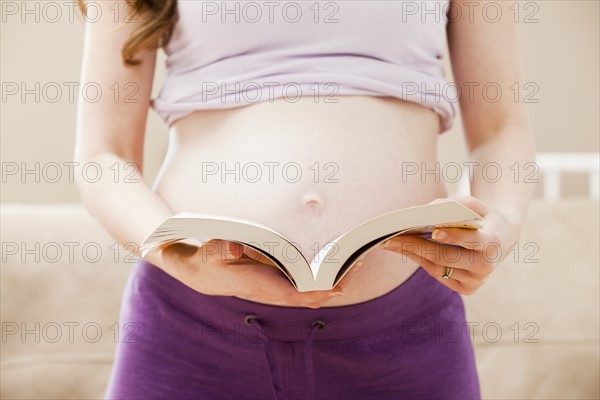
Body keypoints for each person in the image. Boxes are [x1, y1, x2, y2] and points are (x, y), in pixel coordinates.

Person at [73, 0, 535, 399]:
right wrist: (176, 256)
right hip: (189, 331)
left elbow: (500, 128)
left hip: (405, 333)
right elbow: (103, 156)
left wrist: (503, 223)